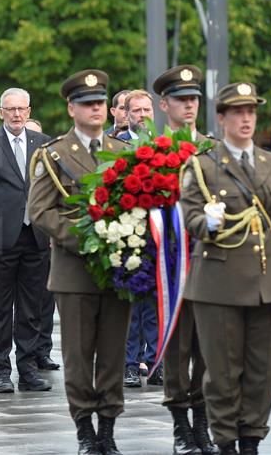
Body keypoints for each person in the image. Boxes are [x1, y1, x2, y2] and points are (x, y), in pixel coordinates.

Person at [180, 82, 271, 455]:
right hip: (218, 284)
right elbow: (189, 216)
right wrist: (203, 223)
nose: (246, 119)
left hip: (268, 284)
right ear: (221, 118)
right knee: (224, 373)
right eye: (238, 112)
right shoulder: (202, 165)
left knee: (262, 371)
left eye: (251, 112)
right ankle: (226, 442)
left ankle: (252, 441)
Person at [28, 69, 130, 455]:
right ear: (72, 109)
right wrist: (87, 239)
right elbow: (40, 210)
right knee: (78, 356)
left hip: (118, 270)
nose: (96, 109)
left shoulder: (122, 153)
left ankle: (108, 428)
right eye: (87, 104)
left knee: (112, 356)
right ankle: (85, 430)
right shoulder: (53, 155)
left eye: (101, 103)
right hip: (75, 271)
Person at [0, 88, 53, 394]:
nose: (16, 114)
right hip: (0, 237)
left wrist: (53, 228)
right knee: (1, 307)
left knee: (32, 307)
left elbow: (51, 190)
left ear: (29, 112)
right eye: (10, 109)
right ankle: (1, 370)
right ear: (0, 112)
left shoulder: (43, 144)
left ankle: (28, 369)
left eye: (21, 109)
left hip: (36, 236)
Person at [154, 65, 219, 454]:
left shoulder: (212, 148)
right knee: (178, 351)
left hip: (209, 261)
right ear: (165, 105)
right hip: (171, 264)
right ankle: (181, 426)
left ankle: (203, 425)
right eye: (181, 99)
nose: (189, 105)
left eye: (194, 98)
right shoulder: (150, 151)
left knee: (208, 349)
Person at [116, 88, 161, 391]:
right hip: (126, 235)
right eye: (136, 111)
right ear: (126, 114)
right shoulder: (115, 146)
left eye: (147, 110)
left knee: (157, 303)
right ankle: (130, 365)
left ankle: (156, 362)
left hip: (157, 236)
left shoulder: (164, 146)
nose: (142, 116)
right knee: (131, 306)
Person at [23, 118, 60, 371]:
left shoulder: (48, 155)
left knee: (45, 299)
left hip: (43, 236)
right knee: (24, 301)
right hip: (17, 234)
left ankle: (43, 349)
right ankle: (26, 349)